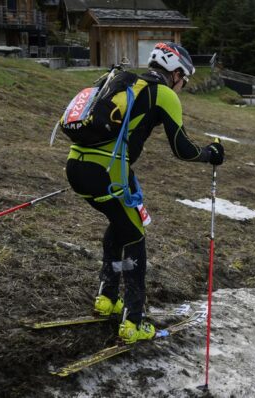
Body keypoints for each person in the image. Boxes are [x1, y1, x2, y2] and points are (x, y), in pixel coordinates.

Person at [65, 42, 224, 344]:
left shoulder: (124, 81)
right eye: (184, 80)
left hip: (76, 165)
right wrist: (212, 153)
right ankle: (133, 322)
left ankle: (107, 297)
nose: (182, 86)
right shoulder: (163, 93)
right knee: (135, 235)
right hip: (108, 172)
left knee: (119, 224)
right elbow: (184, 150)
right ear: (176, 73)